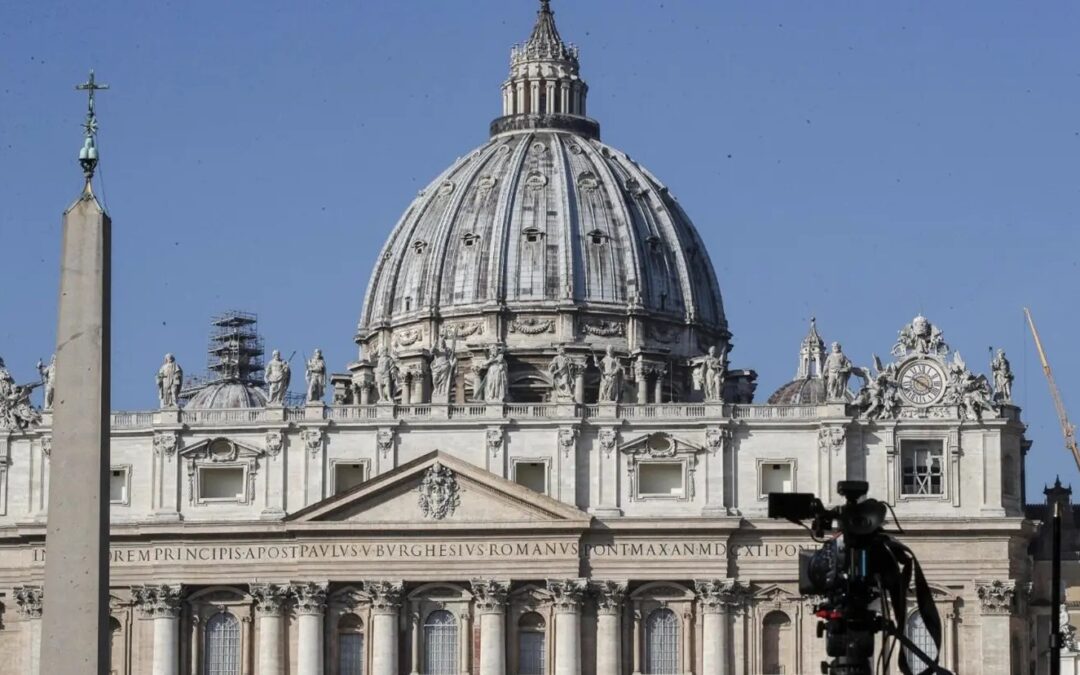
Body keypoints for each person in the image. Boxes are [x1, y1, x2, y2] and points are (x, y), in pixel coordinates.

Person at [430, 337, 457, 402]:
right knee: (434, 379)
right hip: (437, 367)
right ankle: (436, 389)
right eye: (440, 342)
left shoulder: (447, 350)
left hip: (445, 366)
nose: (442, 343)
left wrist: (453, 363)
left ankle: (442, 391)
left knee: (444, 380)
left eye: (443, 342)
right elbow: (431, 351)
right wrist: (434, 344)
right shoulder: (437, 350)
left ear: (444, 343)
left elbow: (451, 358)